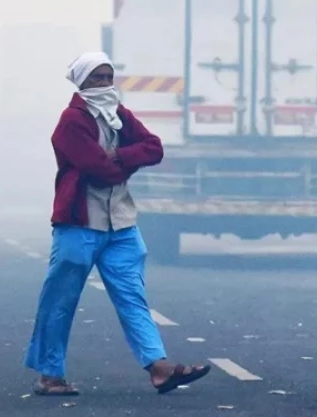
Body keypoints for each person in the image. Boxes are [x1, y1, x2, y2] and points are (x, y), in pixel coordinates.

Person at [24, 52, 212, 396]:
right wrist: (125, 159)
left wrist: (120, 155)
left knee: (132, 296)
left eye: (108, 77)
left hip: (121, 223)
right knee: (60, 300)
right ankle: (49, 375)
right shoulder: (71, 121)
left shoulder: (118, 114)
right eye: (96, 77)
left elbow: (154, 148)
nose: (104, 84)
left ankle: (158, 367)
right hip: (79, 223)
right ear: (81, 82)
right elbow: (103, 170)